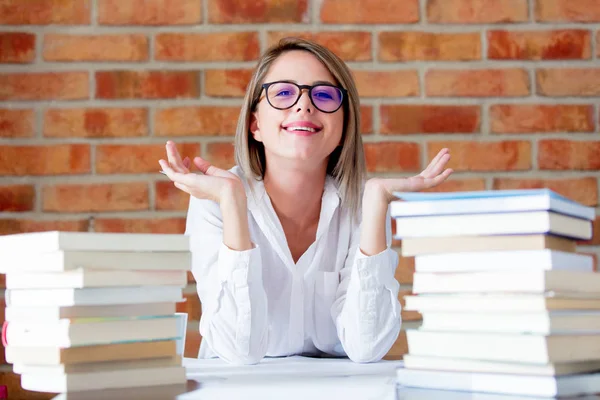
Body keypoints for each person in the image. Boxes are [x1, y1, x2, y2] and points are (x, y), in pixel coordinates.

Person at [158, 37, 452, 365]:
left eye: (323, 94)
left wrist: (376, 204)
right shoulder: (216, 199)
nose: (304, 105)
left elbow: (367, 347)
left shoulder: (364, 204)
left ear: (343, 126)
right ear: (255, 124)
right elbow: (239, 351)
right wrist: (234, 205)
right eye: (283, 93)